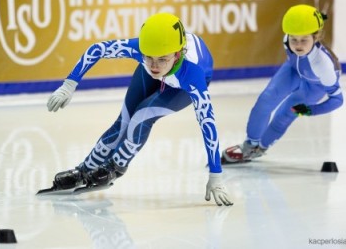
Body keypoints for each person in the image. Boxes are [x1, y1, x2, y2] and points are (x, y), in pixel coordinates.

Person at [44, 12, 233, 206]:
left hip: (181, 86)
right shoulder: (143, 51)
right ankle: (84, 170)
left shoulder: (193, 74)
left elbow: (207, 124)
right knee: (123, 122)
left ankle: (115, 167)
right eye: (148, 57)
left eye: (161, 59)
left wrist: (216, 175)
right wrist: (69, 84)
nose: (154, 66)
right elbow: (97, 49)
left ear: (178, 55)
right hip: (166, 70)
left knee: (142, 116)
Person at [222, 4, 343, 163]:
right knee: (266, 99)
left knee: (287, 111)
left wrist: (310, 110)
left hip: (315, 84)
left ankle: (261, 148)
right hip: (294, 70)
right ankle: (250, 146)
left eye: (304, 40)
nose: (298, 45)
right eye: (294, 39)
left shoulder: (323, 66)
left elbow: (337, 99)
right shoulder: (287, 40)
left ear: (316, 37)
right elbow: (296, 55)